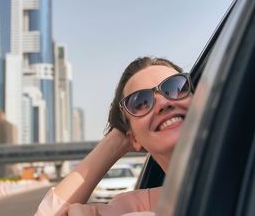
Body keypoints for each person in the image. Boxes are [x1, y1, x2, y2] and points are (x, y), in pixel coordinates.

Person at [35, 57, 193, 216]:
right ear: (134, 139)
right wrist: (116, 140)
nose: (163, 103)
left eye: (175, 87)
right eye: (141, 103)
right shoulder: (138, 206)